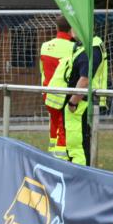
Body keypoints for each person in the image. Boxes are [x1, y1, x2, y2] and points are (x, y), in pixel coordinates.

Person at [46, 36, 108, 166]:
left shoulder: (91, 48)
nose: (71, 31)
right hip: (78, 102)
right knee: (74, 144)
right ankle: (77, 170)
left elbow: (85, 79)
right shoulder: (86, 45)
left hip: (80, 104)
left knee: (78, 146)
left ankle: (81, 173)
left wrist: (72, 102)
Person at [39, 16, 76, 159]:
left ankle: (51, 154)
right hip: (64, 92)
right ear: (71, 29)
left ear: (57, 27)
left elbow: (42, 70)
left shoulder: (45, 46)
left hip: (48, 92)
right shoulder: (73, 48)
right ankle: (60, 158)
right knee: (63, 126)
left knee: (53, 124)